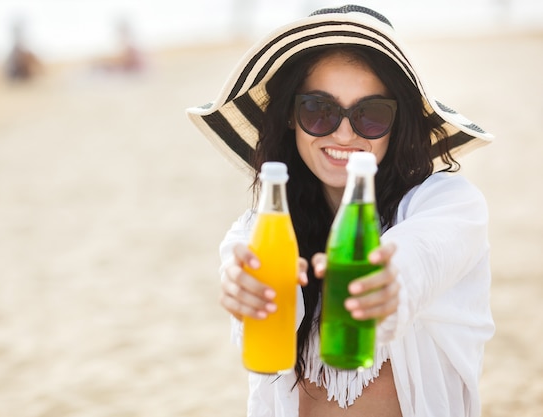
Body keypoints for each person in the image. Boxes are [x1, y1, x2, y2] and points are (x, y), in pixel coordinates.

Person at [186, 5, 495, 417]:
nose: (344, 133)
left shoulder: (448, 205)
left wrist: (385, 284)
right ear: (291, 119)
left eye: (371, 114)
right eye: (319, 110)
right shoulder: (257, 231)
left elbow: (421, 258)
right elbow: (255, 311)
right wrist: (243, 290)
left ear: (396, 125)